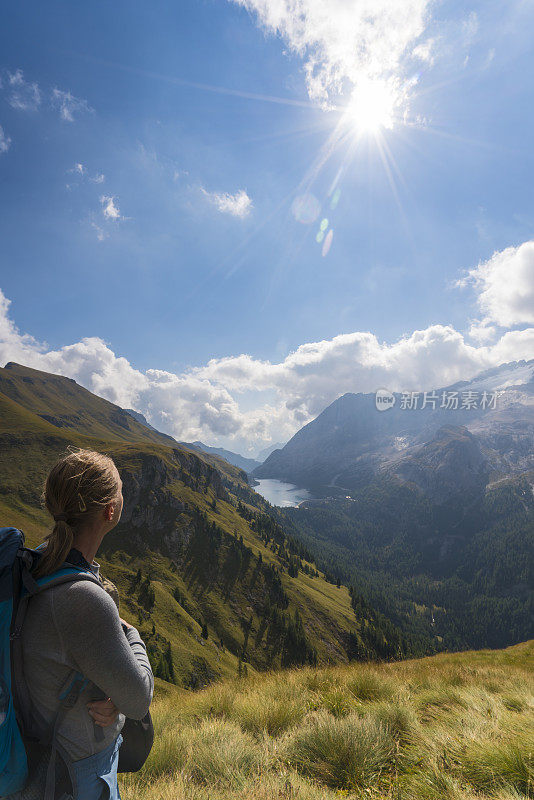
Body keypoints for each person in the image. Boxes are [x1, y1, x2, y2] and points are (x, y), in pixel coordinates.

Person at [16, 448, 154, 800]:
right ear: (110, 511)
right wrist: (131, 633)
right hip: (75, 775)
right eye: (121, 489)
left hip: (41, 760)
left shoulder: (38, 563)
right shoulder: (81, 599)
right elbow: (138, 699)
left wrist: (113, 698)